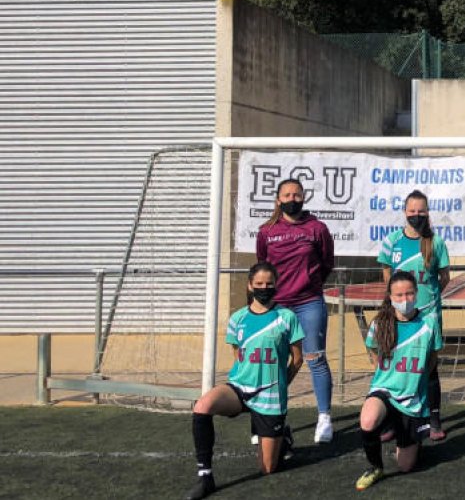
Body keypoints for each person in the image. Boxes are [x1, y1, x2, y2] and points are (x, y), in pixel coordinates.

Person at [186, 263, 304, 500]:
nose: (264, 288)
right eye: (259, 284)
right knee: (202, 406)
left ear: (276, 284)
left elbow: (298, 359)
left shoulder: (286, 317)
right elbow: (237, 354)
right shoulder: (237, 318)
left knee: (268, 468)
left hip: (270, 393)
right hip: (239, 388)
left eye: (269, 284)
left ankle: (284, 438)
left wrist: (280, 385)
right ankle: (205, 477)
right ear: (250, 285)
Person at [256, 178, 336, 443]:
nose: (292, 198)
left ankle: (324, 416)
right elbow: (263, 268)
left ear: (304, 197)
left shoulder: (317, 229)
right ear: (278, 200)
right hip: (277, 306)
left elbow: (326, 264)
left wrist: (307, 286)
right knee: (274, 362)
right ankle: (268, 419)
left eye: (297, 194)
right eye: (287, 195)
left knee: (314, 358)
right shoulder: (266, 231)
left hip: (309, 303)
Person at [354, 271, 443, 490]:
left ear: (417, 293)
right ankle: (375, 467)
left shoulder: (430, 323)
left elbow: (432, 360)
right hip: (384, 390)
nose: (405, 300)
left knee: (405, 466)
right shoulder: (380, 324)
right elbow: (374, 354)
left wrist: (414, 380)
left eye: (410, 294)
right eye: (399, 295)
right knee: (367, 420)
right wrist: (389, 375)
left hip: (412, 398)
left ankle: (413, 438)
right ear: (390, 296)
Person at [378, 190, 451, 440]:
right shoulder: (391, 242)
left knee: (429, 367)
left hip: (427, 315)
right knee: (395, 365)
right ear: (405, 212)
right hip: (398, 314)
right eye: (412, 211)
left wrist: (427, 301)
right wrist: (396, 301)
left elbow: (444, 278)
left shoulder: (436, 243)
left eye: (421, 212)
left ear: (427, 213)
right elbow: (387, 275)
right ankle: (390, 419)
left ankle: (434, 419)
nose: (416, 216)